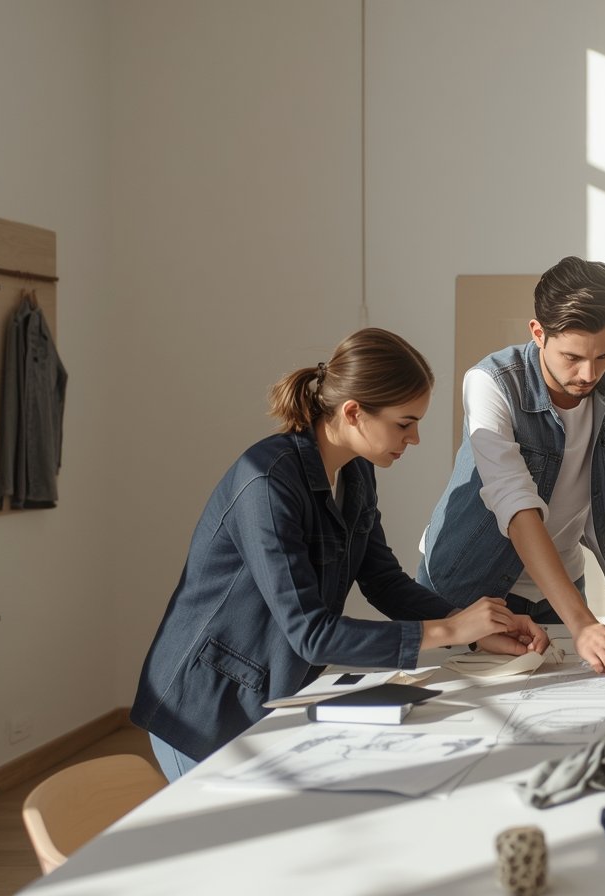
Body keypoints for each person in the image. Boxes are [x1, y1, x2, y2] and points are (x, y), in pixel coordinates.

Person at [132, 329, 548, 781]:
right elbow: (311, 633)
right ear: (354, 412)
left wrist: (476, 628)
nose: (415, 439)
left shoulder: (357, 473)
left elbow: (382, 581)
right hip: (203, 707)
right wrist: (450, 627)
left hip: (275, 691)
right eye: (404, 423)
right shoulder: (267, 483)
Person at [419, 256, 605, 675]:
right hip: (466, 586)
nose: (589, 373)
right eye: (572, 357)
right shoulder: (491, 383)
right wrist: (584, 623)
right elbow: (516, 504)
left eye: (603, 355)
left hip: (558, 585)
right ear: (538, 333)